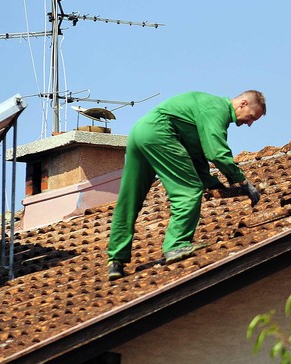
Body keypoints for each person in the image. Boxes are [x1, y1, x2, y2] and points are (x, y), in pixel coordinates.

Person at [106, 90, 265, 278]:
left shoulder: (205, 110)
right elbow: (216, 153)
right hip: (159, 133)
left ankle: (115, 260)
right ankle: (176, 245)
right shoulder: (217, 109)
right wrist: (243, 181)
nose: (249, 123)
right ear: (243, 104)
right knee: (189, 189)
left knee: (129, 199)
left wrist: (215, 185)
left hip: (140, 133)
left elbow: (198, 158)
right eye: (252, 117)